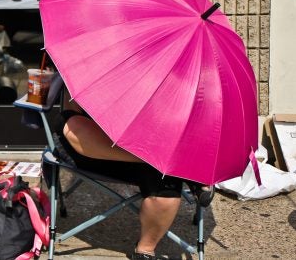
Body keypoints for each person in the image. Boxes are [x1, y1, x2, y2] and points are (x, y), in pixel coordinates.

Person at [54, 88, 208, 260]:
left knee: (166, 186)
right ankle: (194, 175)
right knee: (71, 123)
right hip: (98, 143)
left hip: (151, 142)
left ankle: (145, 248)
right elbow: (73, 115)